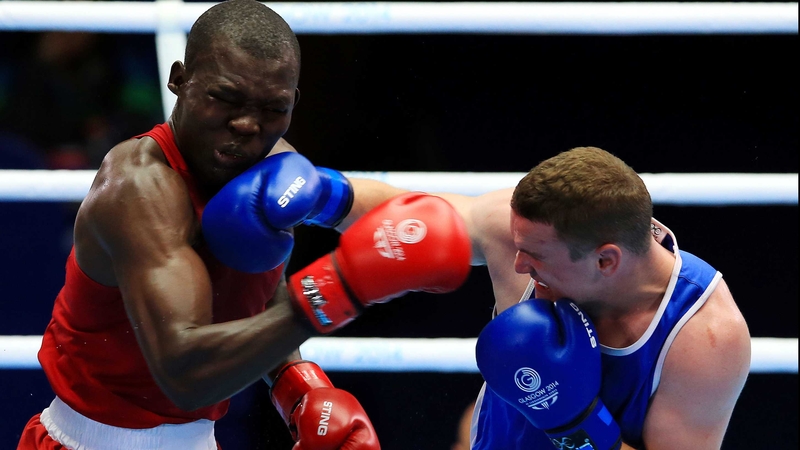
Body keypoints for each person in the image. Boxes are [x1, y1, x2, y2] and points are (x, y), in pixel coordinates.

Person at [15, 1, 472, 448]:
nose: (247, 124)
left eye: (272, 108)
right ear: (180, 80)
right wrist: (339, 289)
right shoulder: (140, 187)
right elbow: (184, 374)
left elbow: (258, 290)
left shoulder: (274, 168)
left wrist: (297, 385)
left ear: (292, 102)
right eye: (225, 98)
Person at [340, 146, 751, 449]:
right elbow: (414, 218)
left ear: (605, 260)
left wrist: (576, 423)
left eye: (534, 257)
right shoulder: (527, 233)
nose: (518, 265)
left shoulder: (705, 335)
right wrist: (321, 194)